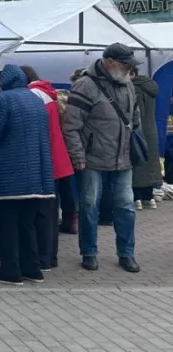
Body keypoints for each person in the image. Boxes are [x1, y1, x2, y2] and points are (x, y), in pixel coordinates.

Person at [62, 43, 141, 273]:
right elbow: (71, 126)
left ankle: (127, 253)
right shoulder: (85, 85)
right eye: (126, 64)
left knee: (126, 207)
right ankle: (89, 252)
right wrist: (78, 155)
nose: (130, 69)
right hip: (92, 159)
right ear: (110, 62)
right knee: (88, 206)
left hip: (123, 157)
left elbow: (134, 119)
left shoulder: (128, 85)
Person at [0, 65, 55, 286]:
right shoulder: (36, 99)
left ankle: (10, 272)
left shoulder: (3, 100)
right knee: (27, 224)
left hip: (12, 173)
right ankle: (33, 269)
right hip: (38, 173)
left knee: (8, 223)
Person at [20, 66, 74, 270]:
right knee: (51, 213)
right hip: (58, 158)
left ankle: (44, 258)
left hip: (46, 159)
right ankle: (51, 257)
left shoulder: (33, 96)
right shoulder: (47, 93)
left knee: (43, 214)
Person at [131, 66, 161, 211]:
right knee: (149, 164)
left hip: (139, 131)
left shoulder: (134, 89)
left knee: (138, 164)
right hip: (152, 130)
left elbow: (137, 114)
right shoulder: (150, 86)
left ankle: (137, 199)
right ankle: (149, 198)